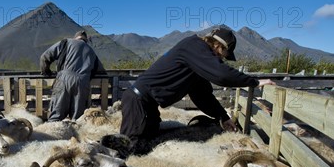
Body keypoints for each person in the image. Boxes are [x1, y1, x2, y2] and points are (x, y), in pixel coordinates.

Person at [120, 26, 275, 150]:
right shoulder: (194, 46)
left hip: (148, 104)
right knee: (130, 148)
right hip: (138, 101)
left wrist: (223, 117)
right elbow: (221, 74)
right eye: (223, 55)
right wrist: (254, 82)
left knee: (149, 145)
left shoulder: (195, 62)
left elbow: (203, 96)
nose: (221, 59)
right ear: (218, 46)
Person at [40, 30, 106, 121]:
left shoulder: (66, 42)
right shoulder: (91, 51)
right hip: (83, 83)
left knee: (56, 115)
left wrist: (46, 71)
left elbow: (45, 57)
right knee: (78, 119)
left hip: (64, 79)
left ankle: (53, 133)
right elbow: (101, 70)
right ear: (86, 40)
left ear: (75, 38)